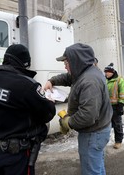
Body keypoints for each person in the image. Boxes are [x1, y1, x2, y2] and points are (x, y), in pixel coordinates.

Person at [0, 44, 56, 175]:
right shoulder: (27, 84)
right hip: (16, 155)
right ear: (25, 63)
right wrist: (50, 102)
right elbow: (47, 113)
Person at [44, 43, 113, 175]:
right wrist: (52, 81)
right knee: (97, 167)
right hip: (98, 130)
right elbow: (68, 77)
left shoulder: (89, 81)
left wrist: (68, 122)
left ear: (76, 61)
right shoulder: (84, 72)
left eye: (66, 61)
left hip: (93, 134)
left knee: (91, 171)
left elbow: (88, 115)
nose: (64, 65)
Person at [104, 63, 124, 149]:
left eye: (107, 72)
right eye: (105, 72)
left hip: (116, 106)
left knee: (117, 124)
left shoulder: (119, 80)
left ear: (112, 72)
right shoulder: (105, 80)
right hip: (106, 107)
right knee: (105, 124)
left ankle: (118, 141)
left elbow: (123, 93)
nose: (106, 73)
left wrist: (120, 105)